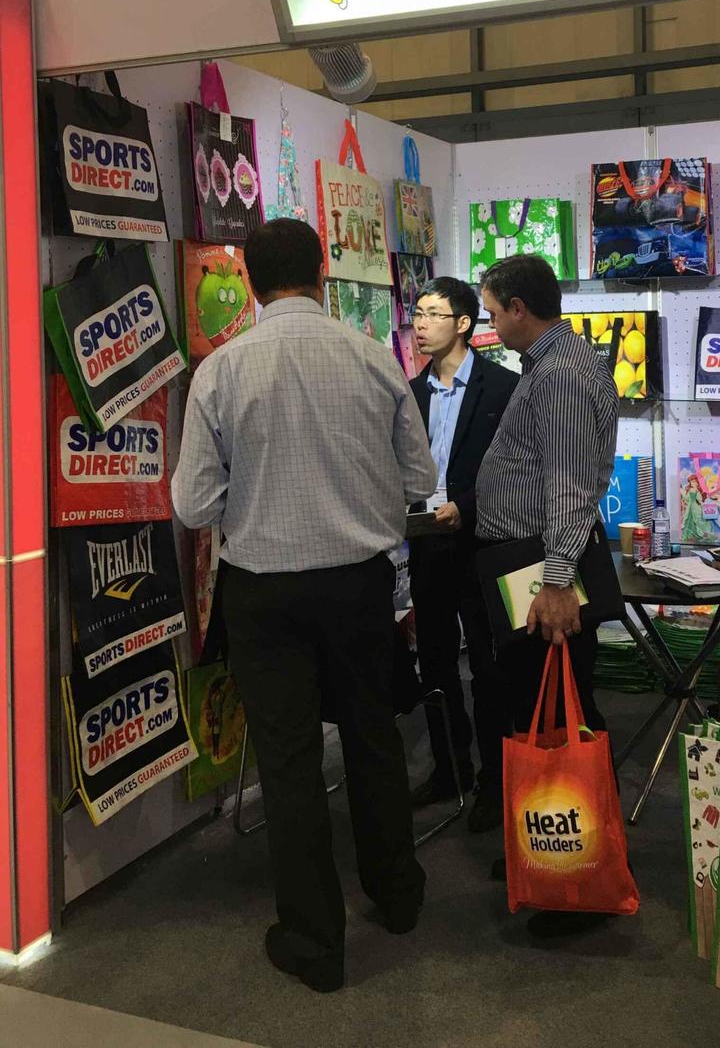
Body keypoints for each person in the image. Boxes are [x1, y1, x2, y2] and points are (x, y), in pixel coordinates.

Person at [171, 218, 436, 994]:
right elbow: (420, 479)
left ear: (250, 284)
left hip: (265, 590)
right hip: (360, 583)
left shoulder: (222, 370)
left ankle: (315, 943)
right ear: (322, 273)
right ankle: (398, 895)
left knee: (289, 762)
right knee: (373, 737)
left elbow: (193, 504)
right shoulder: (373, 357)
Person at [474, 255, 619, 934]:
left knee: (561, 717)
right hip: (532, 563)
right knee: (546, 707)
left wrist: (558, 580)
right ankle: (548, 844)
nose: (490, 324)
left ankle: (574, 879)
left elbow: (569, 484)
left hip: (544, 566)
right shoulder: (557, 362)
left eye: (492, 311)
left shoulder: (559, 374)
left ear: (519, 309)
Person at [406, 276, 519, 832]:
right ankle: (450, 768)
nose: (420, 324)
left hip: (482, 541)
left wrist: (466, 507)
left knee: (489, 665)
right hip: (426, 542)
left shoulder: (503, 387)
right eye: (417, 314)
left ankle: (495, 780)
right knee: (434, 660)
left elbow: (513, 467)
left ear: (465, 323)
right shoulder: (412, 391)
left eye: (433, 314)